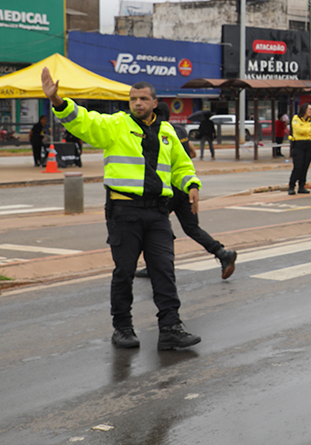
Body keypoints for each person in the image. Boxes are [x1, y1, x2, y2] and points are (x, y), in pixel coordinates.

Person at [41, 68, 202, 351]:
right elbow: (85, 122)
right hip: (124, 211)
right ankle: (123, 328)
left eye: (142, 99)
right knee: (125, 271)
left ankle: (170, 328)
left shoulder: (167, 133)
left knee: (164, 270)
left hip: (157, 213)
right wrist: (58, 102)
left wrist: (191, 184)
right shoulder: (116, 124)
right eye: (132, 99)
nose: (137, 103)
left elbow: (181, 165)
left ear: (154, 102)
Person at [136, 108, 236, 280]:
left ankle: (157, 265)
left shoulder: (157, 132)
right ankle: (222, 253)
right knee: (192, 228)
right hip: (185, 187)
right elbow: (192, 152)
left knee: (152, 226)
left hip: (168, 189)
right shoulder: (180, 130)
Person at [287, 104, 311, 195]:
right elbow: (298, 130)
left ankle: (302, 186)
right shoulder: (296, 118)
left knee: (305, 166)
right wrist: (309, 130)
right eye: (309, 109)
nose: (310, 111)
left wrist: (307, 131)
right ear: (304, 109)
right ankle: (291, 186)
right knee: (298, 166)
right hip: (298, 144)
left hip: (309, 144)